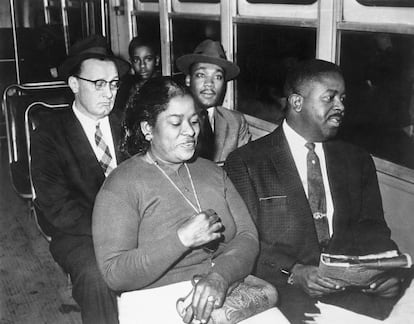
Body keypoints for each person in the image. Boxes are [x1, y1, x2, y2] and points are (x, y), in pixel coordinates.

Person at [225, 59, 404, 323]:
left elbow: (373, 228)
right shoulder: (246, 162)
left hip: (355, 297)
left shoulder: (357, 159)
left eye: (343, 98)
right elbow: (242, 241)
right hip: (283, 293)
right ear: (297, 102)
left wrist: (384, 273)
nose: (340, 106)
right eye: (330, 98)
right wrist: (294, 272)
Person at [92, 77, 264, 324]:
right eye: (176, 122)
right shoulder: (120, 186)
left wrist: (219, 277)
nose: (190, 131)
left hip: (225, 288)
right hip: (157, 301)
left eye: (194, 121)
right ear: (147, 129)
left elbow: (248, 236)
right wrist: (181, 239)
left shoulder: (213, 172)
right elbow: (114, 274)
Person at [31, 34, 129, 324]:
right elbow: (56, 206)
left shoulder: (128, 123)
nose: (109, 93)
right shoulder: (49, 135)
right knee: (96, 275)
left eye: (113, 84)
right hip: (79, 234)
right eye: (98, 84)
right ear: (74, 84)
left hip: (137, 223)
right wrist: (114, 233)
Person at [176, 39, 251, 163]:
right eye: (201, 75)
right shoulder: (172, 120)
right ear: (188, 80)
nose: (209, 84)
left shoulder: (235, 122)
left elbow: (244, 167)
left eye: (218, 77)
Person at [113, 36, 160, 113]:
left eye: (148, 59)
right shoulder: (126, 88)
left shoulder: (166, 87)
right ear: (131, 62)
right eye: (136, 60)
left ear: (157, 60)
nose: (142, 65)